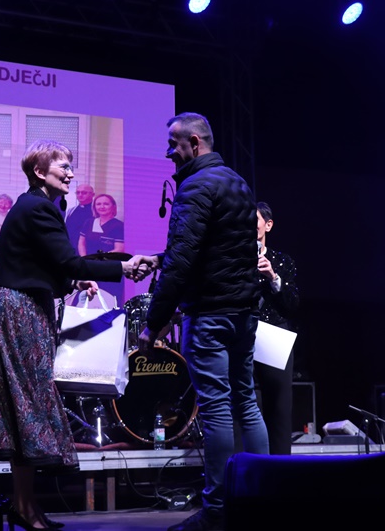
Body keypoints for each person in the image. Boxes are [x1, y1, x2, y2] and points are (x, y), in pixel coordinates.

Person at [0, 139, 151, 530]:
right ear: (40, 172)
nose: (71, 173)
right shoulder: (37, 207)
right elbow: (67, 260)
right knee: (26, 402)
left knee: (25, 404)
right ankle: (24, 506)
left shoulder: (39, 205)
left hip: (21, 303)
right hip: (18, 308)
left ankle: (24, 505)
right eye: (63, 166)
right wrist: (123, 268)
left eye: (71, 166)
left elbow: (47, 264)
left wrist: (75, 279)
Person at [132, 112, 268, 531]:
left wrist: (153, 322)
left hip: (209, 314)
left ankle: (218, 511)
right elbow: (219, 247)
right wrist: (162, 257)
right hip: (243, 312)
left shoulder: (194, 186)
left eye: (173, 144)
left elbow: (183, 260)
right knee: (246, 402)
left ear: (194, 142)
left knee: (216, 408)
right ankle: (262, 501)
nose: (169, 153)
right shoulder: (237, 182)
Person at [253, 201, 299, 455]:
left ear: (268, 225)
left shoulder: (282, 260)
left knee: (279, 409)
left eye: (254, 221)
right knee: (242, 404)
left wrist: (273, 277)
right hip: (241, 336)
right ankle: (243, 466)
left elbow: (292, 304)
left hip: (273, 336)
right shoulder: (232, 258)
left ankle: (281, 467)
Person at [77, 192, 124, 303]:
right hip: (89, 268)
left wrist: (100, 261)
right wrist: (85, 260)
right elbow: (81, 243)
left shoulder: (119, 225)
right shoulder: (89, 222)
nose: (102, 207)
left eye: (106, 204)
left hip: (109, 269)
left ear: (113, 206)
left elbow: (120, 249)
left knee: (108, 301)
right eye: (98, 204)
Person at [64, 183, 94, 250]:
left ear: (92, 194)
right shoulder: (70, 210)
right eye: (78, 193)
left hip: (86, 248)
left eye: (84, 193)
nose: (80, 195)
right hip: (69, 246)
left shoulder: (96, 211)